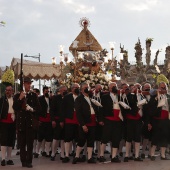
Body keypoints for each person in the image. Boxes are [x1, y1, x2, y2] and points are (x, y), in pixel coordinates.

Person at [13, 77, 40, 168]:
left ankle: (29, 161)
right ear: (23, 84)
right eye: (27, 83)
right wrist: (20, 99)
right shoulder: (18, 95)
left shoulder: (33, 95)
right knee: (22, 144)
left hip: (30, 123)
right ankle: (23, 161)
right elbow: (15, 107)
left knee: (30, 144)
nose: (29, 85)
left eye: (30, 83)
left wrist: (32, 109)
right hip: (21, 123)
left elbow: (38, 109)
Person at [72, 82, 101, 164]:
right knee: (81, 139)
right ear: (81, 90)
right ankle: (77, 156)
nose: (87, 88)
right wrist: (83, 125)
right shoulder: (79, 99)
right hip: (84, 122)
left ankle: (90, 157)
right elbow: (78, 113)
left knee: (91, 140)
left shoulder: (92, 97)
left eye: (87, 87)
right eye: (85, 87)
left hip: (92, 122)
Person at [99, 82, 123, 163]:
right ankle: (101, 155)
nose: (114, 88)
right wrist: (101, 119)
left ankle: (114, 156)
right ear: (109, 88)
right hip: (108, 119)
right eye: (112, 87)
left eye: (115, 86)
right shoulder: (105, 97)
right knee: (105, 137)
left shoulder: (120, 96)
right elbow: (101, 109)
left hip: (118, 120)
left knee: (116, 138)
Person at [149, 82, 170, 161]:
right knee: (155, 137)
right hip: (157, 120)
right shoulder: (154, 95)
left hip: (166, 120)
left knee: (165, 137)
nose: (163, 89)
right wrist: (156, 95)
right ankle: (152, 154)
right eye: (161, 87)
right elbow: (151, 105)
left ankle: (163, 155)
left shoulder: (168, 96)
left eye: (164, 87)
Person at [62, 83, 80, 163]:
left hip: (79, 120)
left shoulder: (81, 97)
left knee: (78, 138)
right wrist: (62, 120)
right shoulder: (67, 97)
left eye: (78, 87)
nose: (77, 89)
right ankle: (66, 155)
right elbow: (62, 109)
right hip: (69, 119)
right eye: (75, 87)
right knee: (67, 138)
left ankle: (77, 155)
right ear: (72, 89)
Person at [50, 85, 68, 161]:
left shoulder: (68, 98)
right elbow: (52, 110)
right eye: (63, 90)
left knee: (63, 138)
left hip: (65, 121)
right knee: (56, 137)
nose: (65, 91)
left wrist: (63, 120)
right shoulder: (56, 98)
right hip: (57, 120)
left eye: (65, 90)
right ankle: (53, 153)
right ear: (60, 91)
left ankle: (62, 154)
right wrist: (53, 120)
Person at [35, 86, 53, 158]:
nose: (47, 92)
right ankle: (37, 151)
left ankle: (47, 151)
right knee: (40, 137)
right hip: (42, 120)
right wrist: (38, 120)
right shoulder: (39, 99)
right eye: (46, 91)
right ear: (43, 92)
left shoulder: (51, 99)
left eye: (48, 91)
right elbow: (37, 111)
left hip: (49, 120)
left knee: (48, 137)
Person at [0, 85, 15, 166]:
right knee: (3, 140)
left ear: (12, 91)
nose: (8, 91)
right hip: (4, 122)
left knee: (10, 140)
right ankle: (3, 158)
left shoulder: (15, 99)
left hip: (12, 122)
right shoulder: (2, 100)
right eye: (7, 90)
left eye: (9, 90)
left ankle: (9, 159)